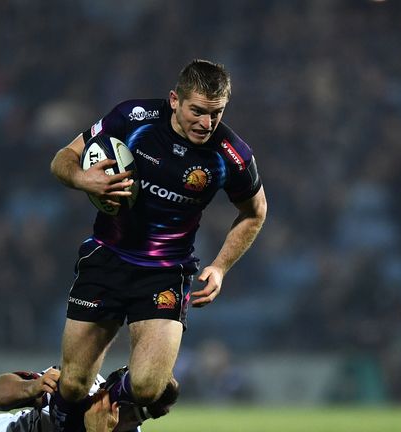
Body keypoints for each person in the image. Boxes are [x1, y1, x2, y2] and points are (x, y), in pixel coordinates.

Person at [48, 59, 267, 431]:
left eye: (216, 114)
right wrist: (85, 179)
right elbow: (62, 159)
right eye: (197, 111)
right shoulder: (133, 118)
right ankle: (57, 419)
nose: (206, 123)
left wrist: (220, 266)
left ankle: (104, 407)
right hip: (107, 257)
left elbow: (255, 212)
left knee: (150, 388)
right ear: (174, 101)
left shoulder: (231, 154)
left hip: (166, 271)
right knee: (73, 382)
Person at [0, 365, 172, 432]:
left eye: (137, 419)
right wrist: (32, 387)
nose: (129, 423)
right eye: (129, 413)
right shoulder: (75, 388)